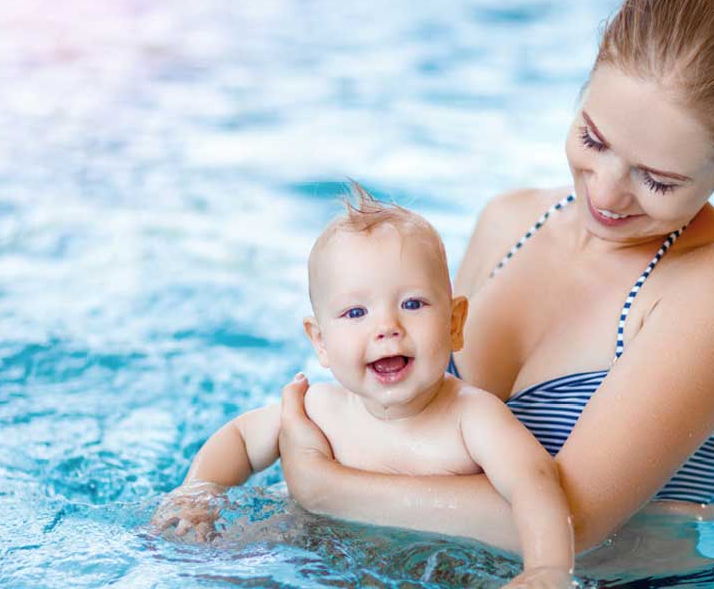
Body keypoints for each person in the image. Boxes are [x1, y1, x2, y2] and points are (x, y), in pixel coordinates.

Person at [274, 0, 714, 561]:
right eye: (593, 138)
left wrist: (324, 487)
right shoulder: (508, 221)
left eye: (658, 180)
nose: (606, 192)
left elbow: (572, 523)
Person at [149, 185, 575, 586]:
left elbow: (534, 484)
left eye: (412, 303)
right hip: (301, 558)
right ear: (320, 341)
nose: (386, 326)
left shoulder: (473, 418)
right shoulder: (318, 410)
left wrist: (547, 570)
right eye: (356, 313)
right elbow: (241, 439)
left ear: (454, 324)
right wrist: (197, 494)